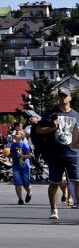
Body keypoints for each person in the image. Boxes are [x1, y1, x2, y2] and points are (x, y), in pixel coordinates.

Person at [32, 89, 79, 221]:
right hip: (55, 154)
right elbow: (39, 130)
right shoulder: (51, 113)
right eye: (61, 96)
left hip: (73, 154)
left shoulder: (76, 115)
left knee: (77, 182)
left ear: (70, 98)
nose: (63, 98)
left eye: (65, 96)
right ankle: (54, 210)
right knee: (54, 183)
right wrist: (52, 127)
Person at [8, 130, 33, 204]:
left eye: (18, 134)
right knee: (18, 183)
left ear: (22, 136)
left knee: (26, 183)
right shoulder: (13, 145)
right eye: (15, 133)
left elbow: (29, 155)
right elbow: (11, 154)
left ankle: (29, 193)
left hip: (24, 166)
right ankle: (20, 199)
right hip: (16, 165)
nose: (15, 135)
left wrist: (22, 156)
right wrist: (7, 156)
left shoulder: (25, 145)